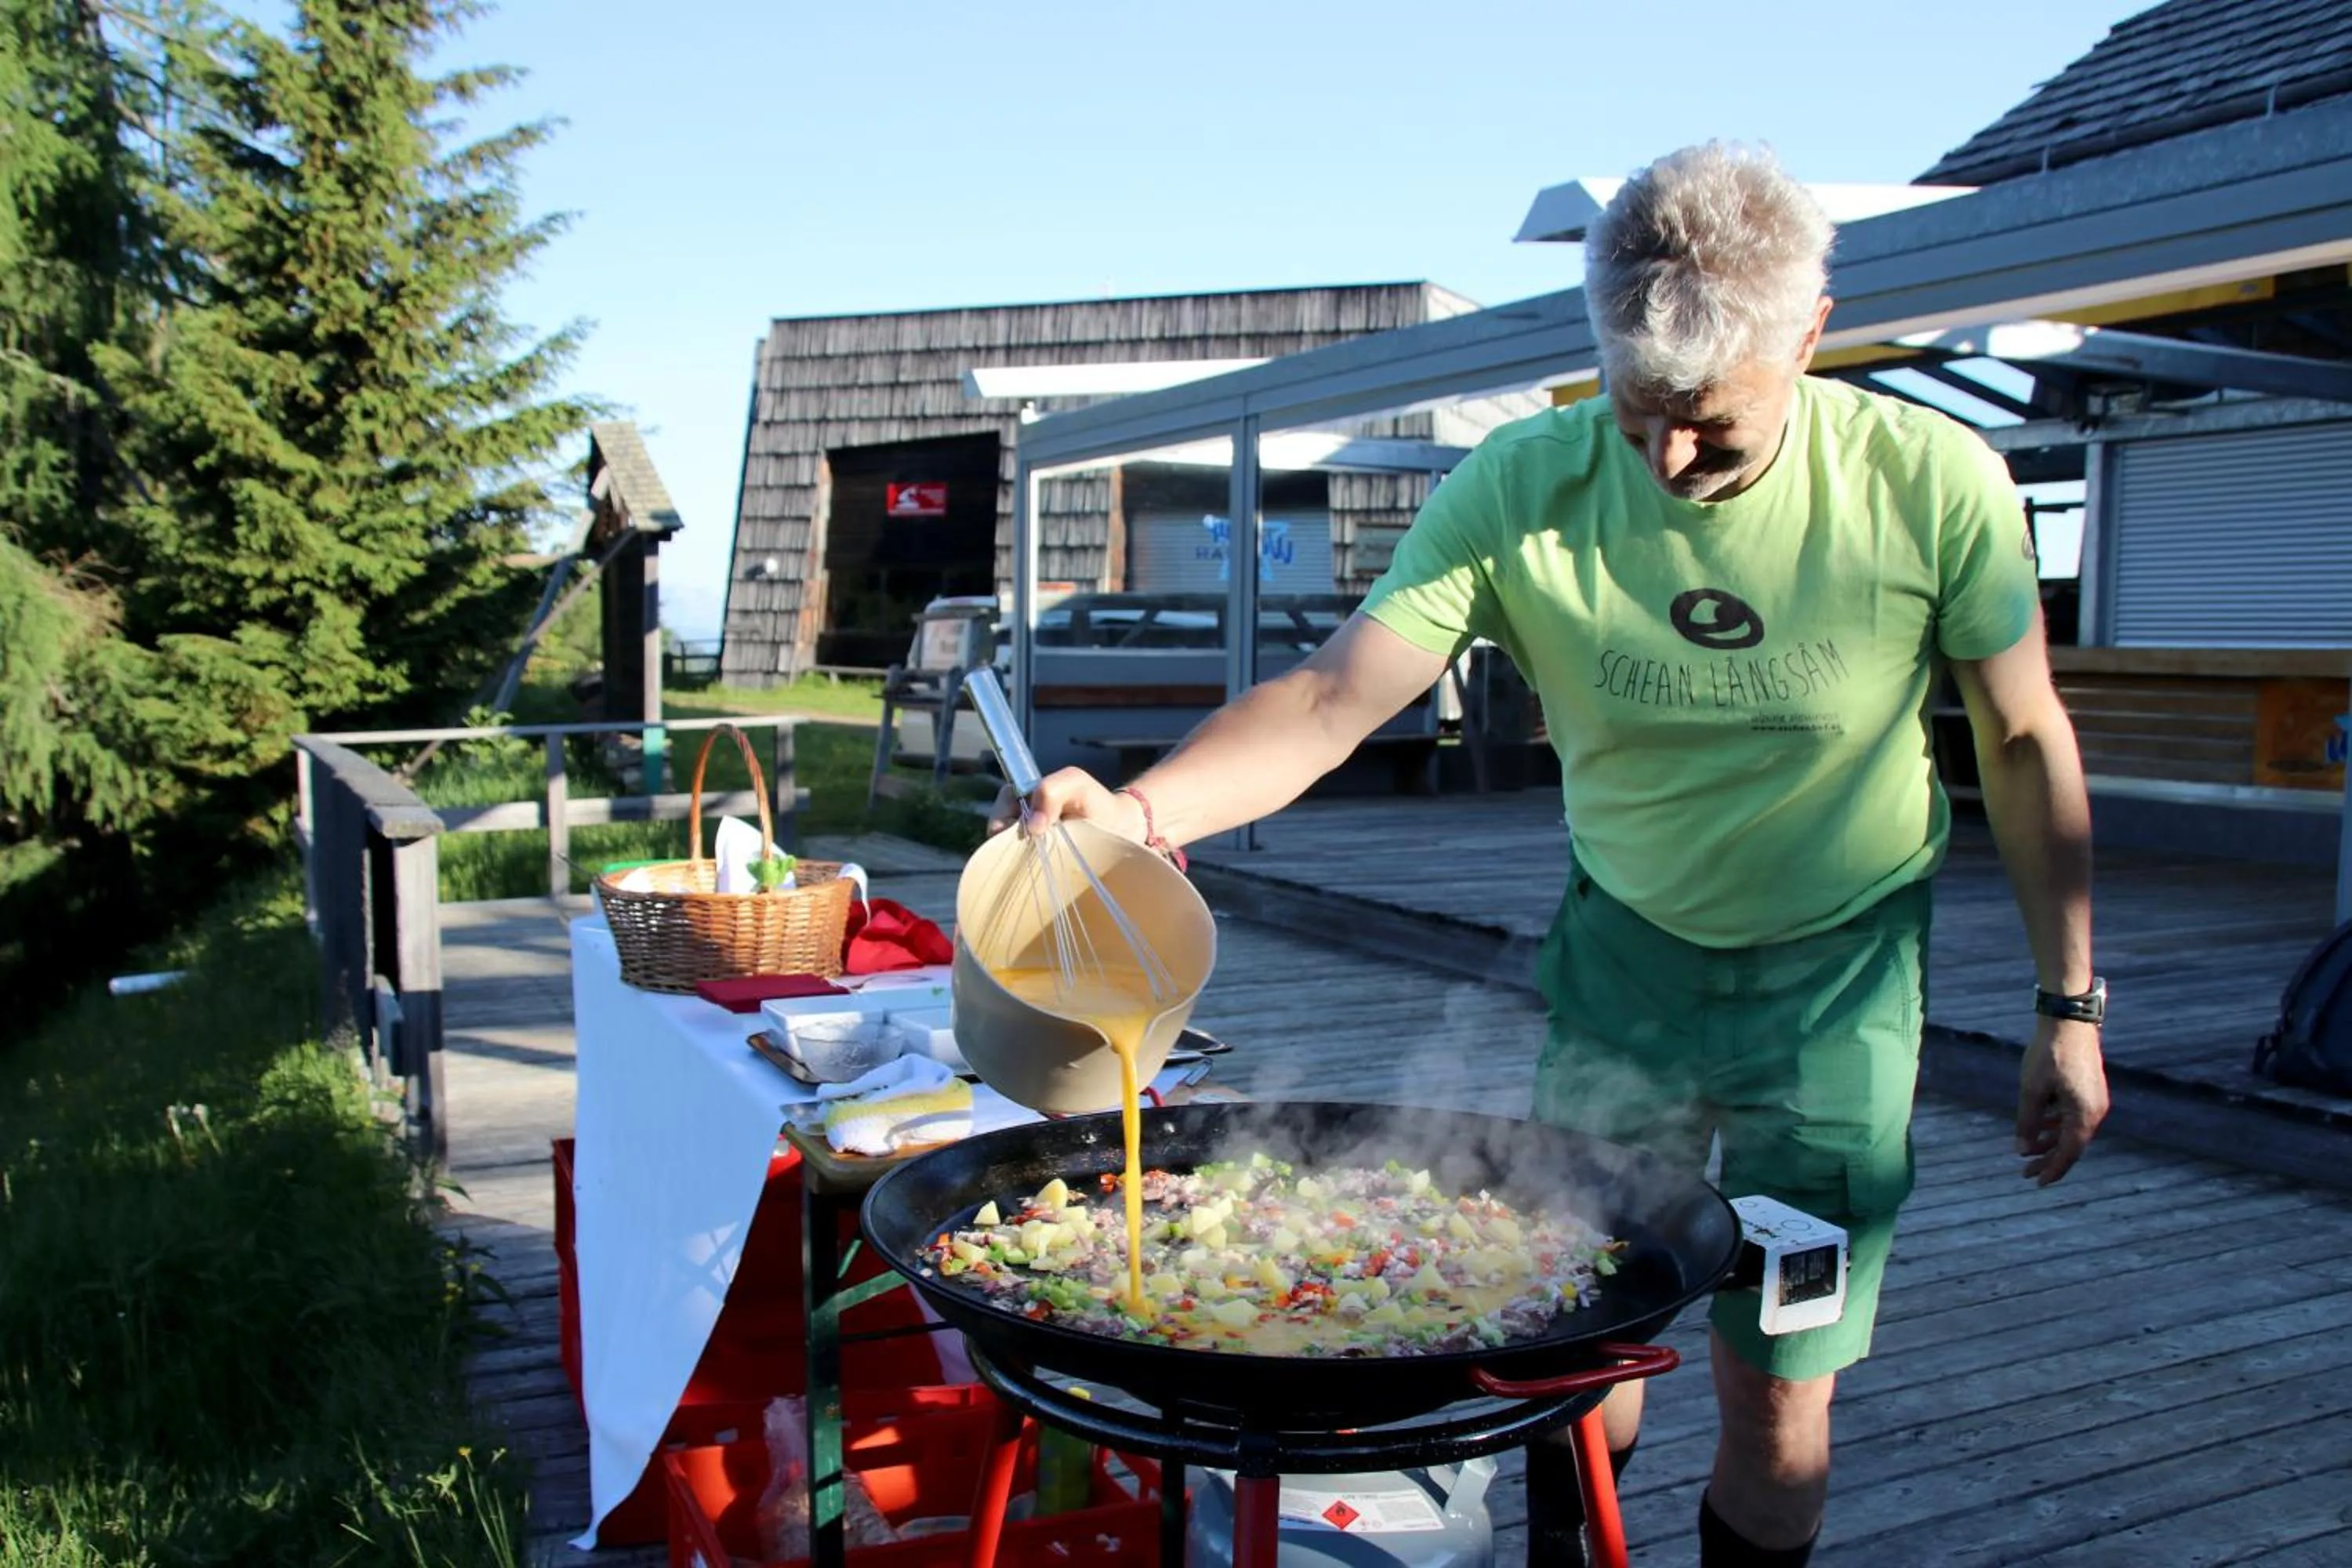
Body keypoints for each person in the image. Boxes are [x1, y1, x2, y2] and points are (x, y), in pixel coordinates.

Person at [993, 141, 2111, 1566]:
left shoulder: (1932, 482)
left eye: (1712, 426)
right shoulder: (1524, 483)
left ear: (1813, 334)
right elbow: (1337, 700)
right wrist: (1142, 818)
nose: (1666, 460)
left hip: (1835, 999)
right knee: (1566, 1344)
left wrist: (2067, 1007)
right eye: (1636, 413)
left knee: (1775, 1393)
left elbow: (2022, 742)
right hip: (1622, 970)